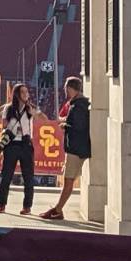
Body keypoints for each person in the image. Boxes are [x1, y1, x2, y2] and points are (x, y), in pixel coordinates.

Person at [40, 75, 90, 221]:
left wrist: (65, 127)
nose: (65, 91)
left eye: (66, 88)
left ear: (70, 88)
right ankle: (57, 209)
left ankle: (58, 209)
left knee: (68, 180)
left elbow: (79, 127)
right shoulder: (81, 103)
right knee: (68, 179)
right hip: (77, 147)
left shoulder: (77, 105)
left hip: (75, 148)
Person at [0, 83, 39, 215]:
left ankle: (27, 206)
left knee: (28, 177)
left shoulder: (29, 108)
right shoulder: (9, 108)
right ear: (17, 94)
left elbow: (42, 118)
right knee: (6, 175)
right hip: (12, 144)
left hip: (26, 143)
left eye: (27, 92)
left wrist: (34, 111)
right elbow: (4, 125)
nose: (26, 95)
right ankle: (2, 204)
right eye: (23, 92)